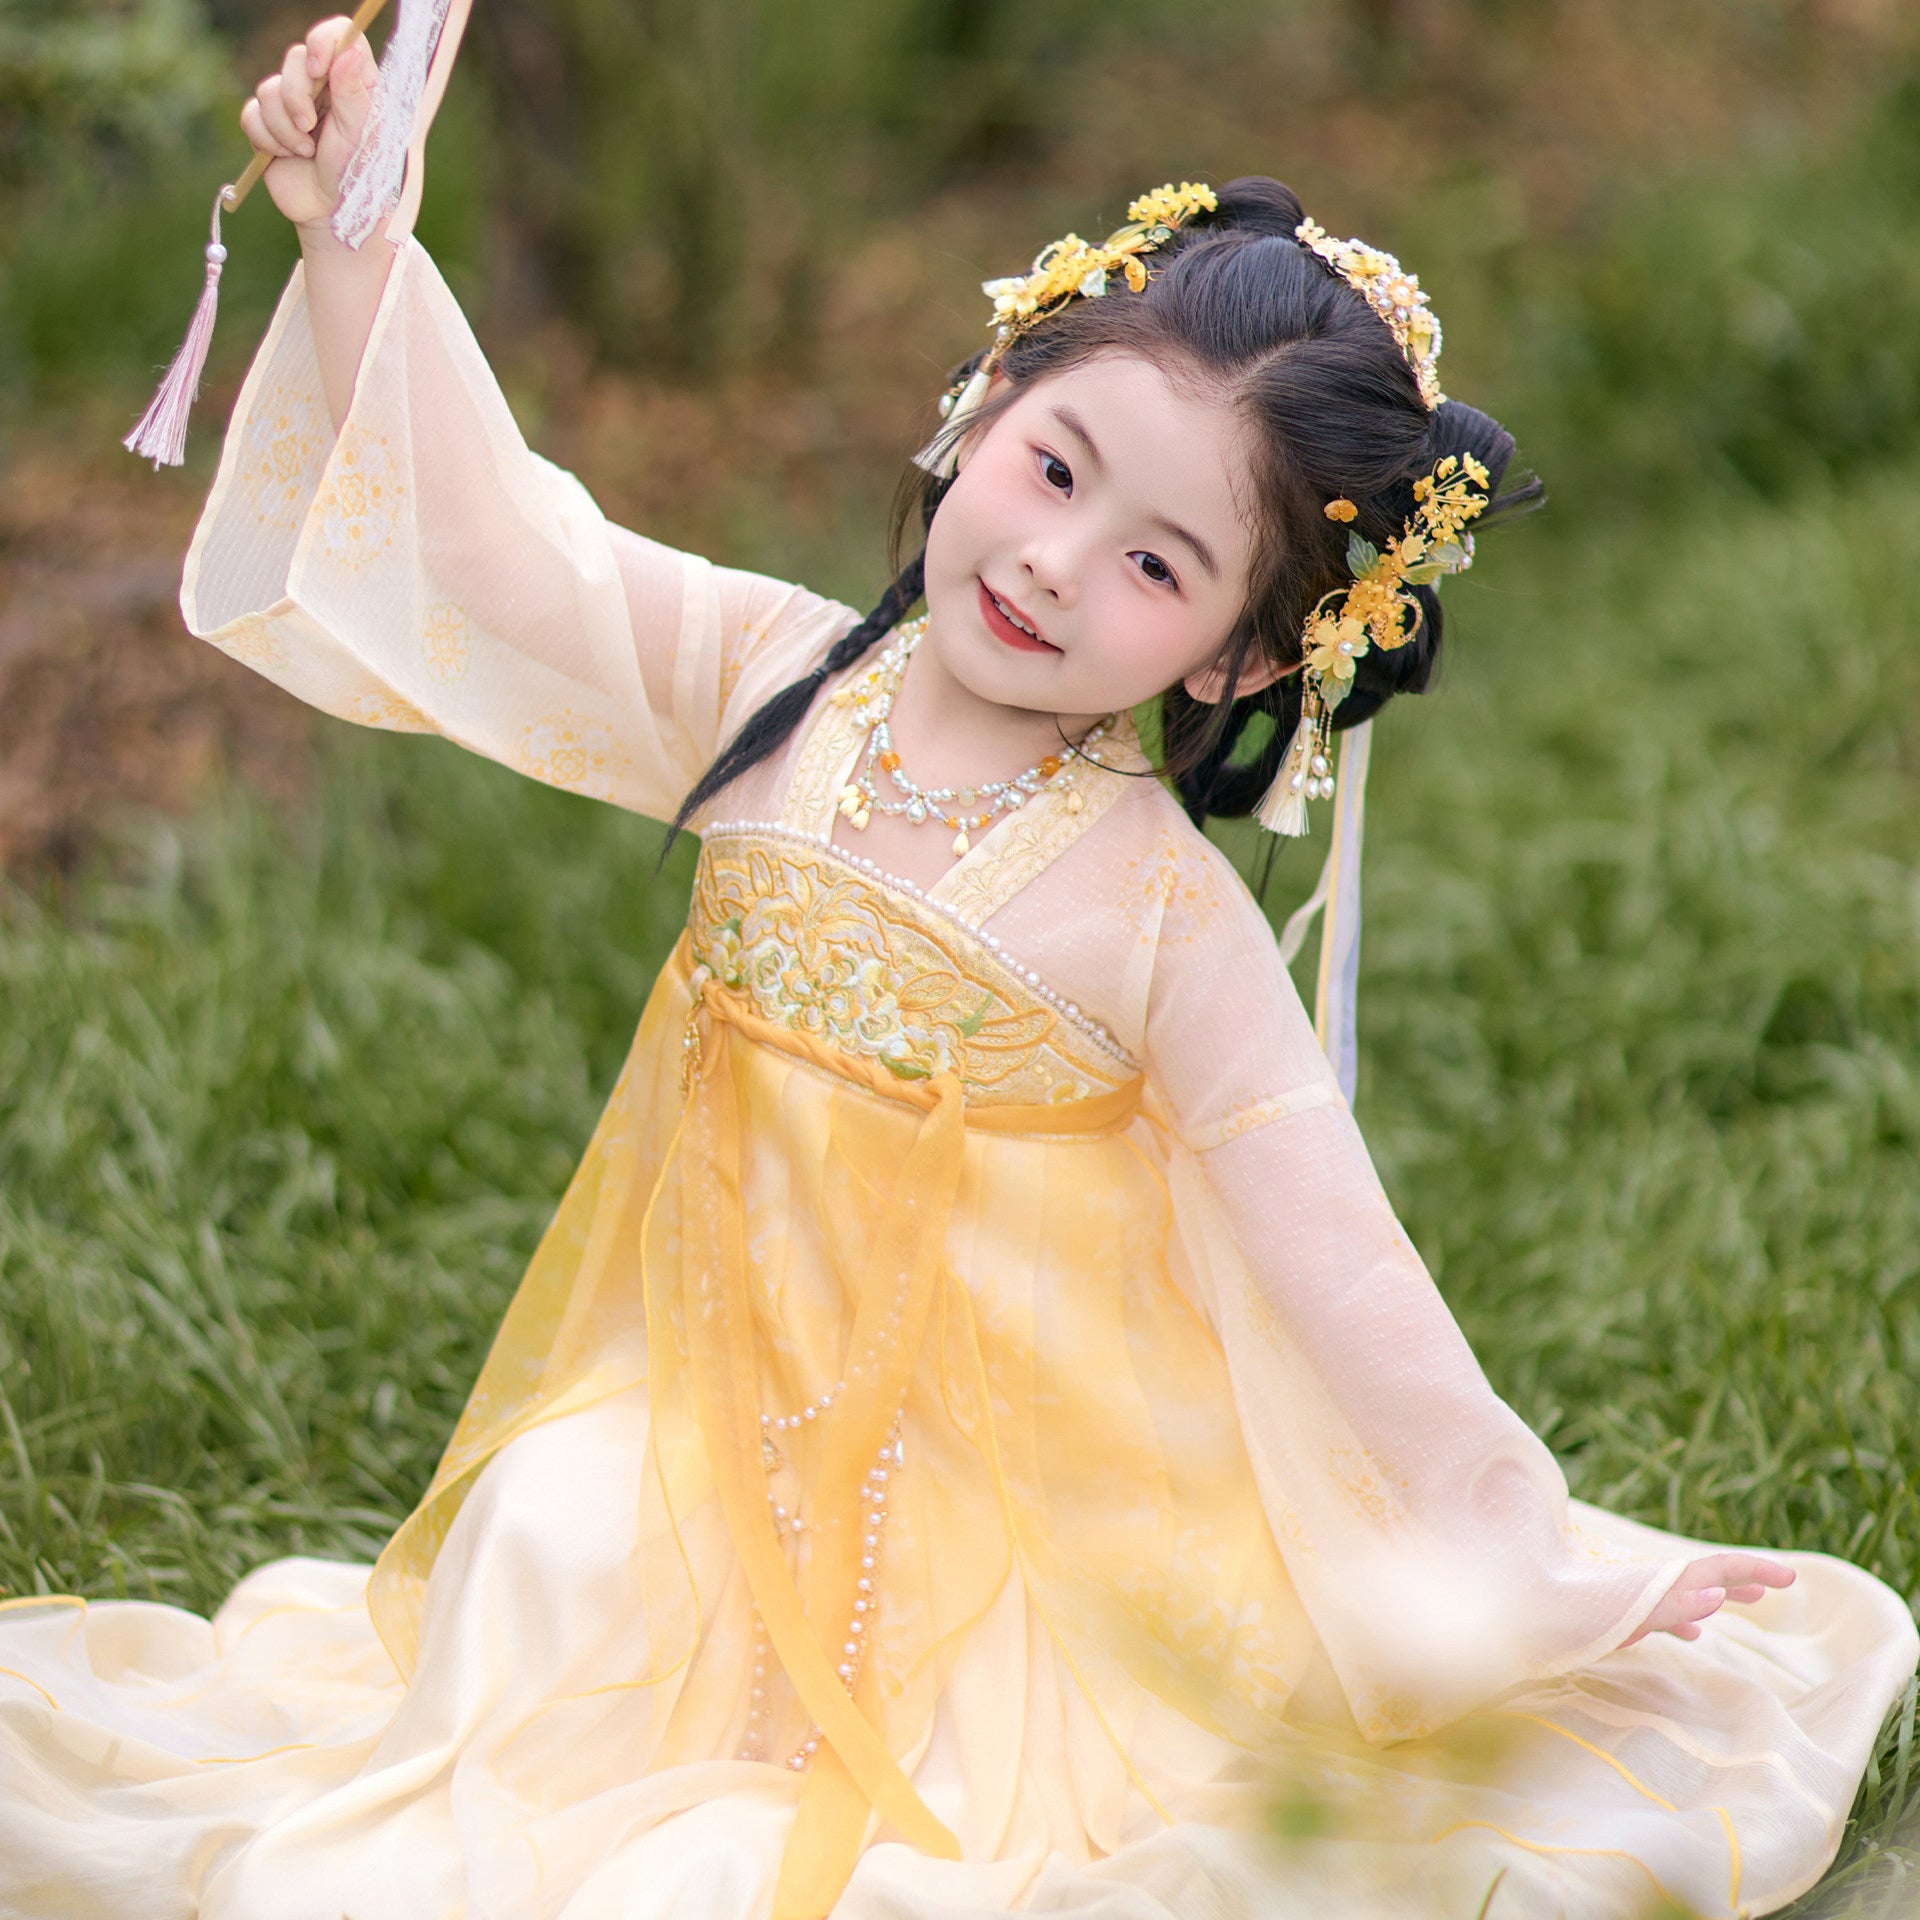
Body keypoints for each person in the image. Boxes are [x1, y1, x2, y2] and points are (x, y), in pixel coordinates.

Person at [2, 17, 1913, 1919]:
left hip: (1000, 1505)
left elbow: (1345, 1270)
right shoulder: (773, 682)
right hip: (700, 1422)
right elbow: (499, 549)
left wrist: (1539, 1557)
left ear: (1243, 661)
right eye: (1056, 467)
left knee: (966, 1779)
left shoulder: (1162, 916)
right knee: (541, 1546)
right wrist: (359, 238)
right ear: (988, 396)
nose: (1063, 562)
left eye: (1164, 568)